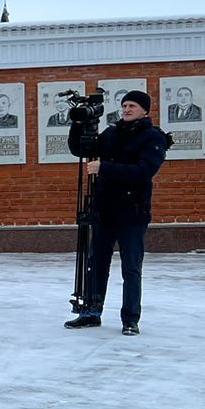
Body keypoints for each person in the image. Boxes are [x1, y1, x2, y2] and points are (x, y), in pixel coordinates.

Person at [64, 89, 169, 335]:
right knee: (96, 264)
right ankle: (90, 311)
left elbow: (143, 171)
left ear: (144, 109)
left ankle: (130, 319)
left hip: (132, 213)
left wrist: (105, 167)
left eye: (132, 105)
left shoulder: (153, 137)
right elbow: (81, 149)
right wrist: (79, 124)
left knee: (131, 268)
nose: (126, 109)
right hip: (104, 211)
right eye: (124, 105)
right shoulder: (112, 133)